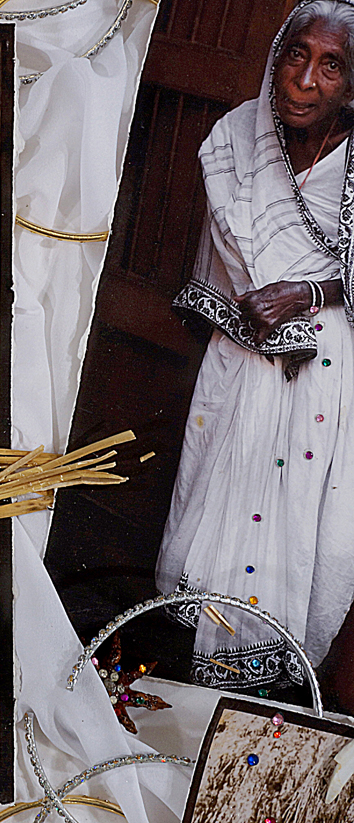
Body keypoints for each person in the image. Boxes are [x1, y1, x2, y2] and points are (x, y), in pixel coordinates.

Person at [159, 0, 354, 708]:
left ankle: (266, 690)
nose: (304, 80)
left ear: (353, 85)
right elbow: (229, 264)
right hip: (240, 361)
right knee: (217, 506)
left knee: (301, 527)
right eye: (296, 55)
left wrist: (305, 290)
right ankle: (197, 692)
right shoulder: (236, 137)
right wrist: (259, 312)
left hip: (322, 374)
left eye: (331, 66)